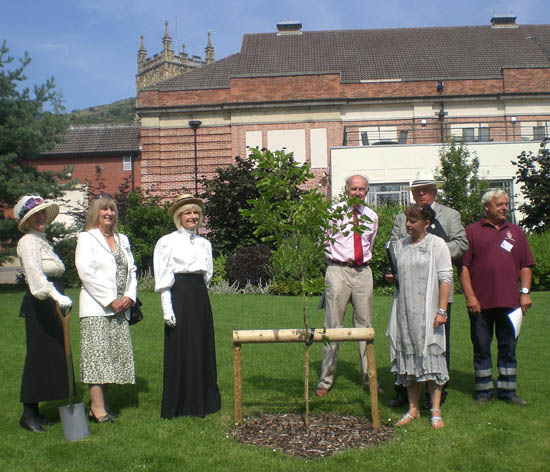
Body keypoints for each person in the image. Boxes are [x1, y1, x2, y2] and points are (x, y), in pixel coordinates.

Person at [387, 170, 468, 408]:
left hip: (436, 291)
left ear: (434, 191)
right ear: (412, 193)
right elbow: (393, 245)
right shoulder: (403, 217)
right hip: (408, 291)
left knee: (437, 341)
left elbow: (461, 244)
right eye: (417, 190)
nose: (421, 193)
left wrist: (435, 253)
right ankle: (403, 391)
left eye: (426, 189)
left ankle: (435, 396)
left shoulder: (450, 215)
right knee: (405, 339)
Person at [460, 189, 534, 406]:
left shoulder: (516, 232)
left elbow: (526, 265)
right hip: (480, 304)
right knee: (481, 347)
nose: (505, 208)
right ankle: (484, 392)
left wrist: (525, 293)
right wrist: (470, 296)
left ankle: (508, 391)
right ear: (486, 207)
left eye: (506, 204)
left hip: (511, 303)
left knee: (508, 348)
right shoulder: (472, 231)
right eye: (500, 204)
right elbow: (463, 267)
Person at [153, 194, 221, 418]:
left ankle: (203, 402)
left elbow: (207, 274)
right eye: (188, 213)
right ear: (178, 216)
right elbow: (163, 278)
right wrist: (167, 308)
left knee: (201, 346)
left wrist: (199, 293)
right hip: (179, 294)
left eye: (196, 213)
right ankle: (179, 404)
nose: (193, 217)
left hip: (199, 296)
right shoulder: (167, 242)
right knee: (181, 347)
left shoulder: (205, 244)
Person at [386, 204, 452, 429]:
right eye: (407, 220)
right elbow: (400, 274)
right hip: (405, 311)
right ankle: (413, 408)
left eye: (413, 221)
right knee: (410, 360)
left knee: (432, 359)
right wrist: (392, 276)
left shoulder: (437, 245)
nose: (408, 225)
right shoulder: (400, 246)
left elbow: (445, 278)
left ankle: (435, 410)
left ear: (426, 223)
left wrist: (442, 311)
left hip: (428, 311)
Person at [315, 175, 379, 397]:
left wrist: (358, 261)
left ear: (367, 191)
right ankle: (325, 380)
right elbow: (324, 243)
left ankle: (368, 378)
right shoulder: (333, 214)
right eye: (354, 188)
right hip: (338, 271)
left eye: (362, 189)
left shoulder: (372, 216)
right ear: (346, 190)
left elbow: (369, 243)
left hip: (363, 272)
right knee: (333, 326)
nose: (358, 193)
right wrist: (337, 263)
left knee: (365, 326)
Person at [75, 195, 137, 423]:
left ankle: (101, 405)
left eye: (112, 209)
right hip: (96, 308)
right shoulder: (86, 238)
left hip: (121, 309)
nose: (109, 213)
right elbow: (86, 273)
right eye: (104, 209)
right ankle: (97, 409)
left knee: (112, 357)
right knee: (96, 358)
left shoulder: (123, 239)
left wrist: (130, 296)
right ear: (96, 213)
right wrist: (111, 300)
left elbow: (132, 270)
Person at [14, 195, 74, 432]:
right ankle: (28, 414)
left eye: (42, 213)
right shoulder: (28, 241)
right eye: (36, 215)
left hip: (52, 304)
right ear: (27, 221)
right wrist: (56, 296)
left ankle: (36, 412)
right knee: (38, 356)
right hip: (41, 303)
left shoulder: (42, 240)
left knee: (51, 355)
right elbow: (36, 278)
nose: (41, 217)